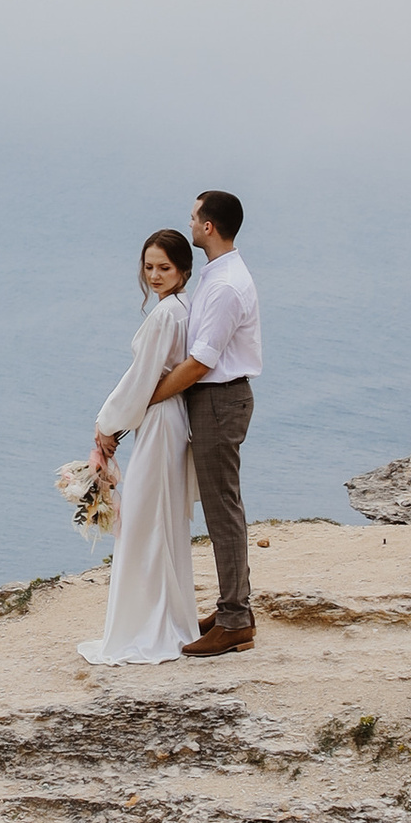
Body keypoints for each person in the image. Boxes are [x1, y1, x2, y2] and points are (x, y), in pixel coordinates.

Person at [76, 231, 202, 666]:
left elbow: (141, 378)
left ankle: (147, 628)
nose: (154, 275)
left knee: (143, 522)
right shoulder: (186, 308)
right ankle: (167, 619)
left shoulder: (167, 314)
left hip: (161, 421)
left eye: (164, 267)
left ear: (184, 269)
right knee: (159, 521)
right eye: (149, 267)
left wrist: (106, 424)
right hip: (171, 418)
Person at [148, 191, 260, 657]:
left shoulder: (224, 286)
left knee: (222, 510)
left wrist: (145, 398)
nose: (190, 223)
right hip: (214, 401)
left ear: (209, 227)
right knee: (222, 506)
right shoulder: (218, 275)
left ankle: (236, 619)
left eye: (194, 217)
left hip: (218, 400)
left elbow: (199, 363)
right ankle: (233, 608)